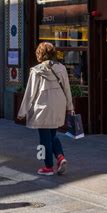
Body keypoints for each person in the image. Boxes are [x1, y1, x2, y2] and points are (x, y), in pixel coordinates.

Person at [17, 42, 74, 176]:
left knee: (44, 138)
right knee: (53, 135)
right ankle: (60, 157)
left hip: (43, 106)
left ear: (40, 53)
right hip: (59, 104)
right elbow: (67, 89)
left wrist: (22, 111)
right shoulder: (62, 68)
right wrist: (70, 106)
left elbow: (30, 92)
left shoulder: (36, 70)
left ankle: (48, 166)